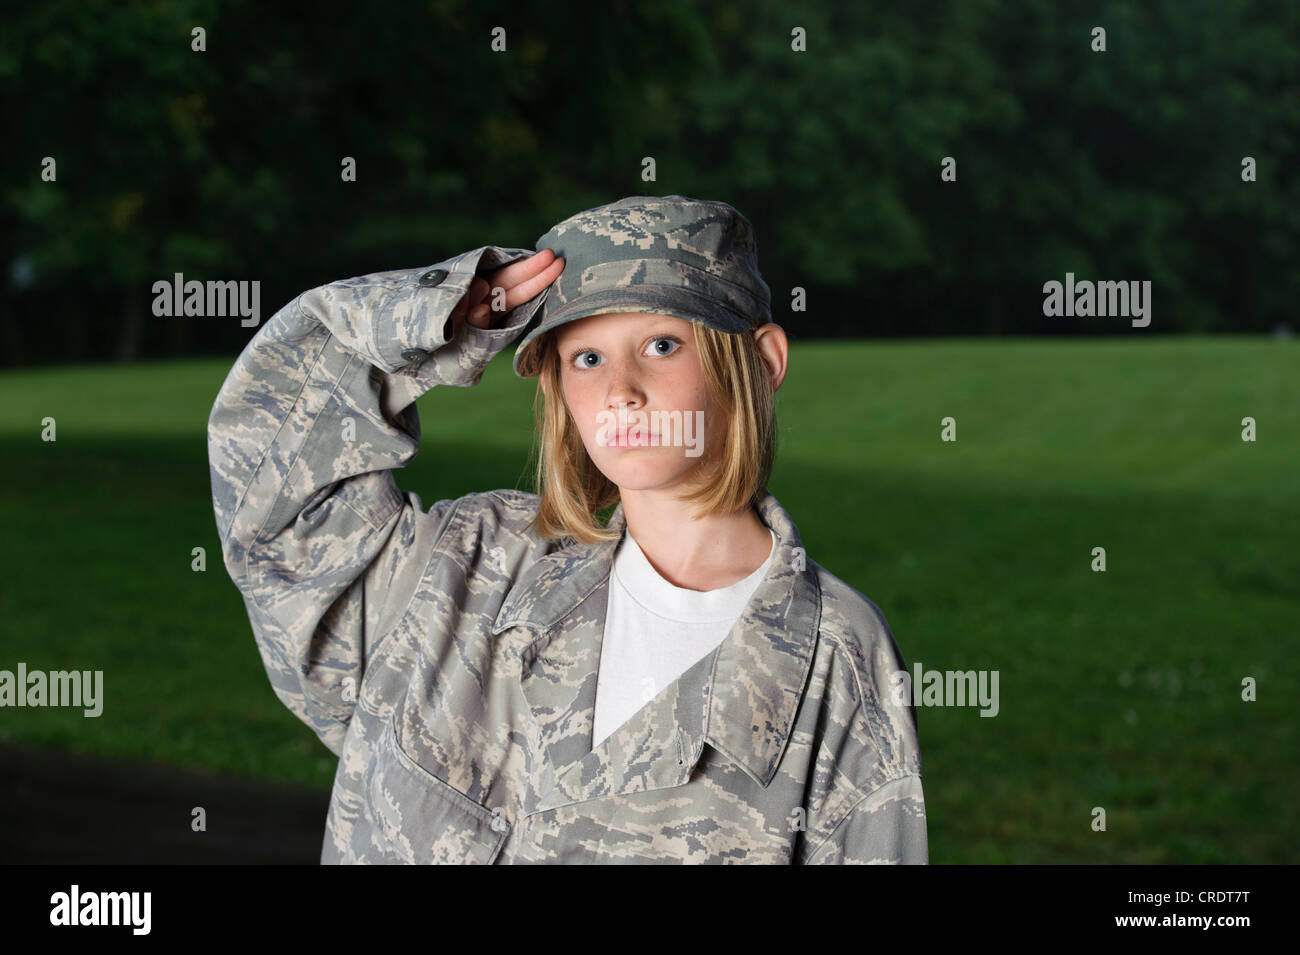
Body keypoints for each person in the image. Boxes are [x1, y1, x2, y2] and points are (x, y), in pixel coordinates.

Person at [207, 194, 928, 863]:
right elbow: (270, 501)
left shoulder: (839, 659)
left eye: (662, 344)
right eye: (587, 357)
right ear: (558, 389)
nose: (621, 390)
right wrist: (428, 324)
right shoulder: (466, 568)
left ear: (762, 361)